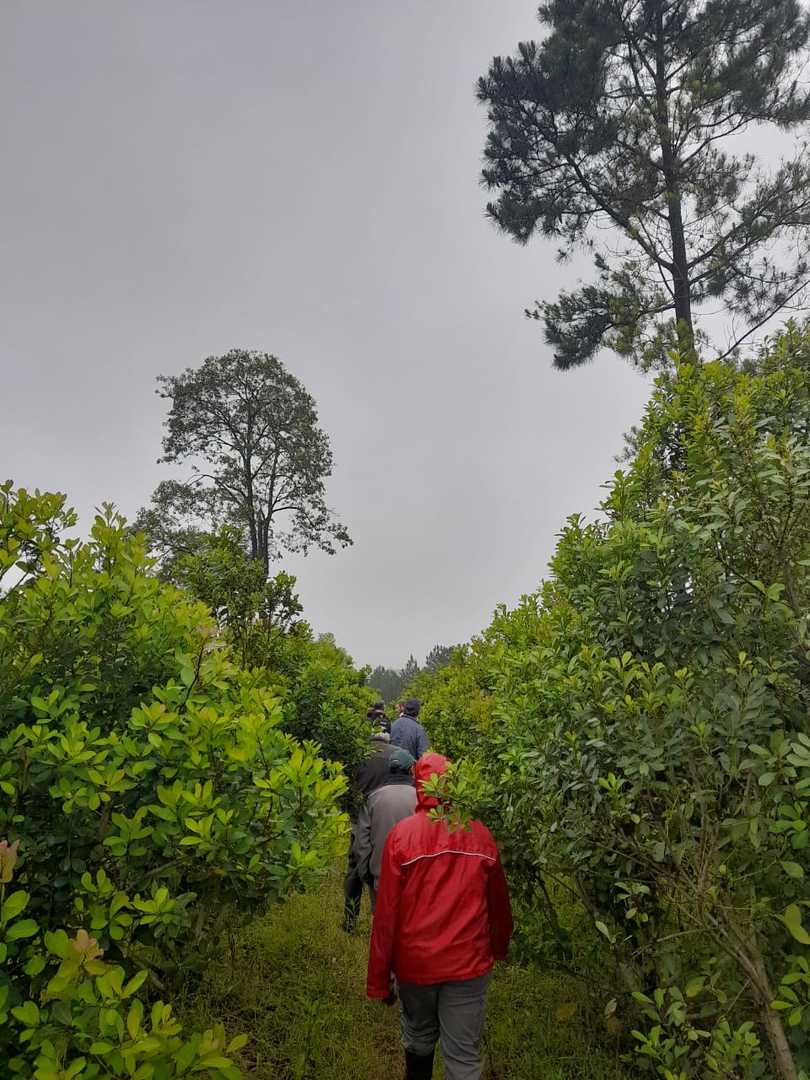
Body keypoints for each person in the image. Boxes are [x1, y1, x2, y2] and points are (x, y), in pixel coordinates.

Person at [367, 753, 512, 1080]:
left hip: (416, 965)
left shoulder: (402, 837)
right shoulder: (480, 834)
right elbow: (500, 905)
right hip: (469, 964)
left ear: (419, 784)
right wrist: (499, 947)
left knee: (419, 1038)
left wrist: (380, 979)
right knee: (463, 1056)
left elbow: (386, 914)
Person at [343, 717, 393, 932]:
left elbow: (348, 788)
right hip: (386, 818)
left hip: (359, 818)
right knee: (387, 868)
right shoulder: (395, 754)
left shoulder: (358, 754)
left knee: (355, 867)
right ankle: (385, 921)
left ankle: (350, 919)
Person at [354, 747, 417, 906]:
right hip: (414, 877)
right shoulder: (420, 798)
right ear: (411, 769)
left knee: (382, 925)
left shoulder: (373, 798)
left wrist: (366, 874)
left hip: (380, 878)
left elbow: (362, 842)